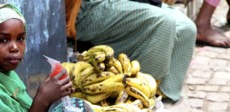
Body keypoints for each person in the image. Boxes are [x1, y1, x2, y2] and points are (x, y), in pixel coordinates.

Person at [65, 0, 197, 102]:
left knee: (187, 29)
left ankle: (160, 94)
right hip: (89, 7)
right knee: (163, 22)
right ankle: (137, 93)